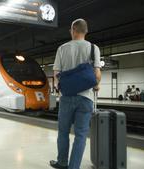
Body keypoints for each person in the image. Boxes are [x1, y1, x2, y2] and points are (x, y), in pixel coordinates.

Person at [50, 19, 101, 169]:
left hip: (66, 97)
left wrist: (60, 87)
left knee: (63, 132)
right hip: (86, 98)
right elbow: (97, 74)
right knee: (80, 135)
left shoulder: (62, 48)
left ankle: (62, 162)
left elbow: (56, 75)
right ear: (86, 31)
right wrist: (96, 85)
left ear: (73, 30)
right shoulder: (94, 48)